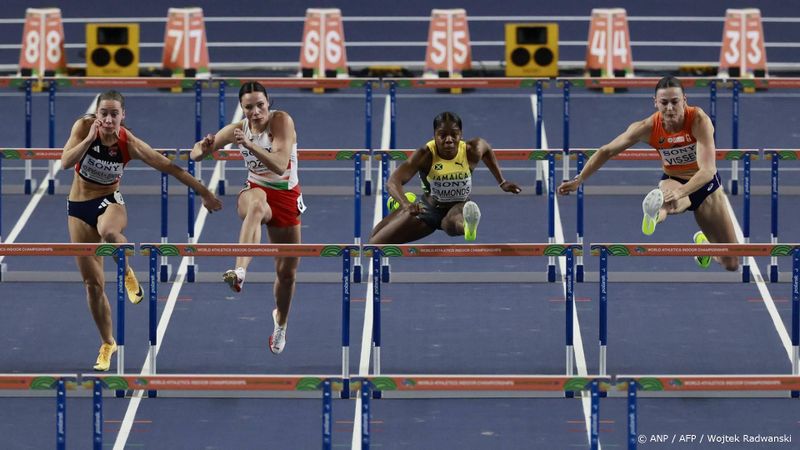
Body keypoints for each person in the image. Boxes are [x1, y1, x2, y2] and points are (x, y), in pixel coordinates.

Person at [62, 90, 222, 371]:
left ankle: (126, 271)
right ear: (96, 114)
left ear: (123, 116)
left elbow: (171, 168)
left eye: (114, 114)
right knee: (93, 285)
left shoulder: (129, 144)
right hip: (77, 208)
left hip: (110, 202)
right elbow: (64, 162)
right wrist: (89, 139)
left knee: (111, 234)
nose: (109, 120)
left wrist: (205, 193)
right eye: (104, 114)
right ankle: (107, 343)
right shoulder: (82, 128)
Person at [557, 75, 738, 272]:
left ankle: (703, 245)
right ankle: (652, 214)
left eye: (675, 102)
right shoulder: (647, 127)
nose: (669, 108)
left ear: (684, 100)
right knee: (668, 203)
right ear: (655, 103)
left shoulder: (698, 120)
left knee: (731, 263)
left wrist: (682, 191)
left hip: (707, 186)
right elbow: (606, 150)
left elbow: (708, 171)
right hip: (674, 180)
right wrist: (579, 179)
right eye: (664, 102)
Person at [190, 81, 305, 355]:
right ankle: (240, 271)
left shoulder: (282, 122)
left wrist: (249, 146)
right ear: (242, 108)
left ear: (269, 103)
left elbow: (279, 165)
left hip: (286, 196)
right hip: (255, 191)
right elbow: (195, 153)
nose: (255, 112)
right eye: (249, 107)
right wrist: (203, 147)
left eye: (260, 105)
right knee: (256, 204)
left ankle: (281, 323)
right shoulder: (236, 130)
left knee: (286, 274)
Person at [369, 111, 521, 244]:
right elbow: (393, 182)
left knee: (450, 224)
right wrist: (405, 204)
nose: (449, 139)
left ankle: (468, 227)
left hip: (459, 207)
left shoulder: (472, 150)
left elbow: (487, 150)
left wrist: (502, 181)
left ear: (461, 134)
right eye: (442, 135)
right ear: (435, 135)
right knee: (374, 242)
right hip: (428, 210)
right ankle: (401, 203)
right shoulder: (425, 155)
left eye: (454, 134)